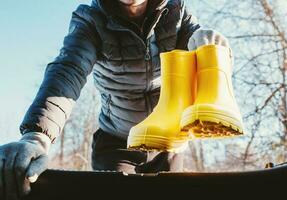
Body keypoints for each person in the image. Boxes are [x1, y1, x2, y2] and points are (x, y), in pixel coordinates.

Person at [0, 0, 230, 199]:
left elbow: (200, 50)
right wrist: (37, 135)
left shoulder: (177, 13)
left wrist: (208, 46)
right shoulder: (91, 22)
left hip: (167, 146)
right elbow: (69, 70)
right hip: (117, 145)